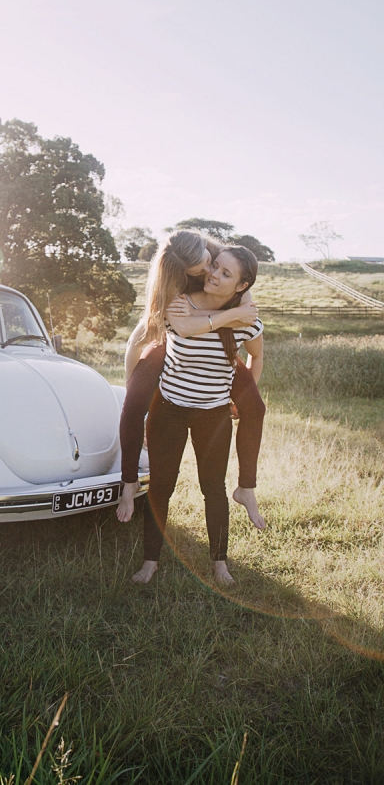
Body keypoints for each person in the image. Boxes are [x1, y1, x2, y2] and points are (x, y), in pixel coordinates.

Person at [121, 243, 264, 586]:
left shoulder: (248, 322)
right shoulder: (180, 303)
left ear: (241, 286)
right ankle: (150, 562)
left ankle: (219, 564)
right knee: (161, 489)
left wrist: (238, 396)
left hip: (213, 416)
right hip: (169, 410)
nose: (214, 274)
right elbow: (181, 330)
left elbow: (256, 357)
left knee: (213, 488)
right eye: (215, 266)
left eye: (226, 274)